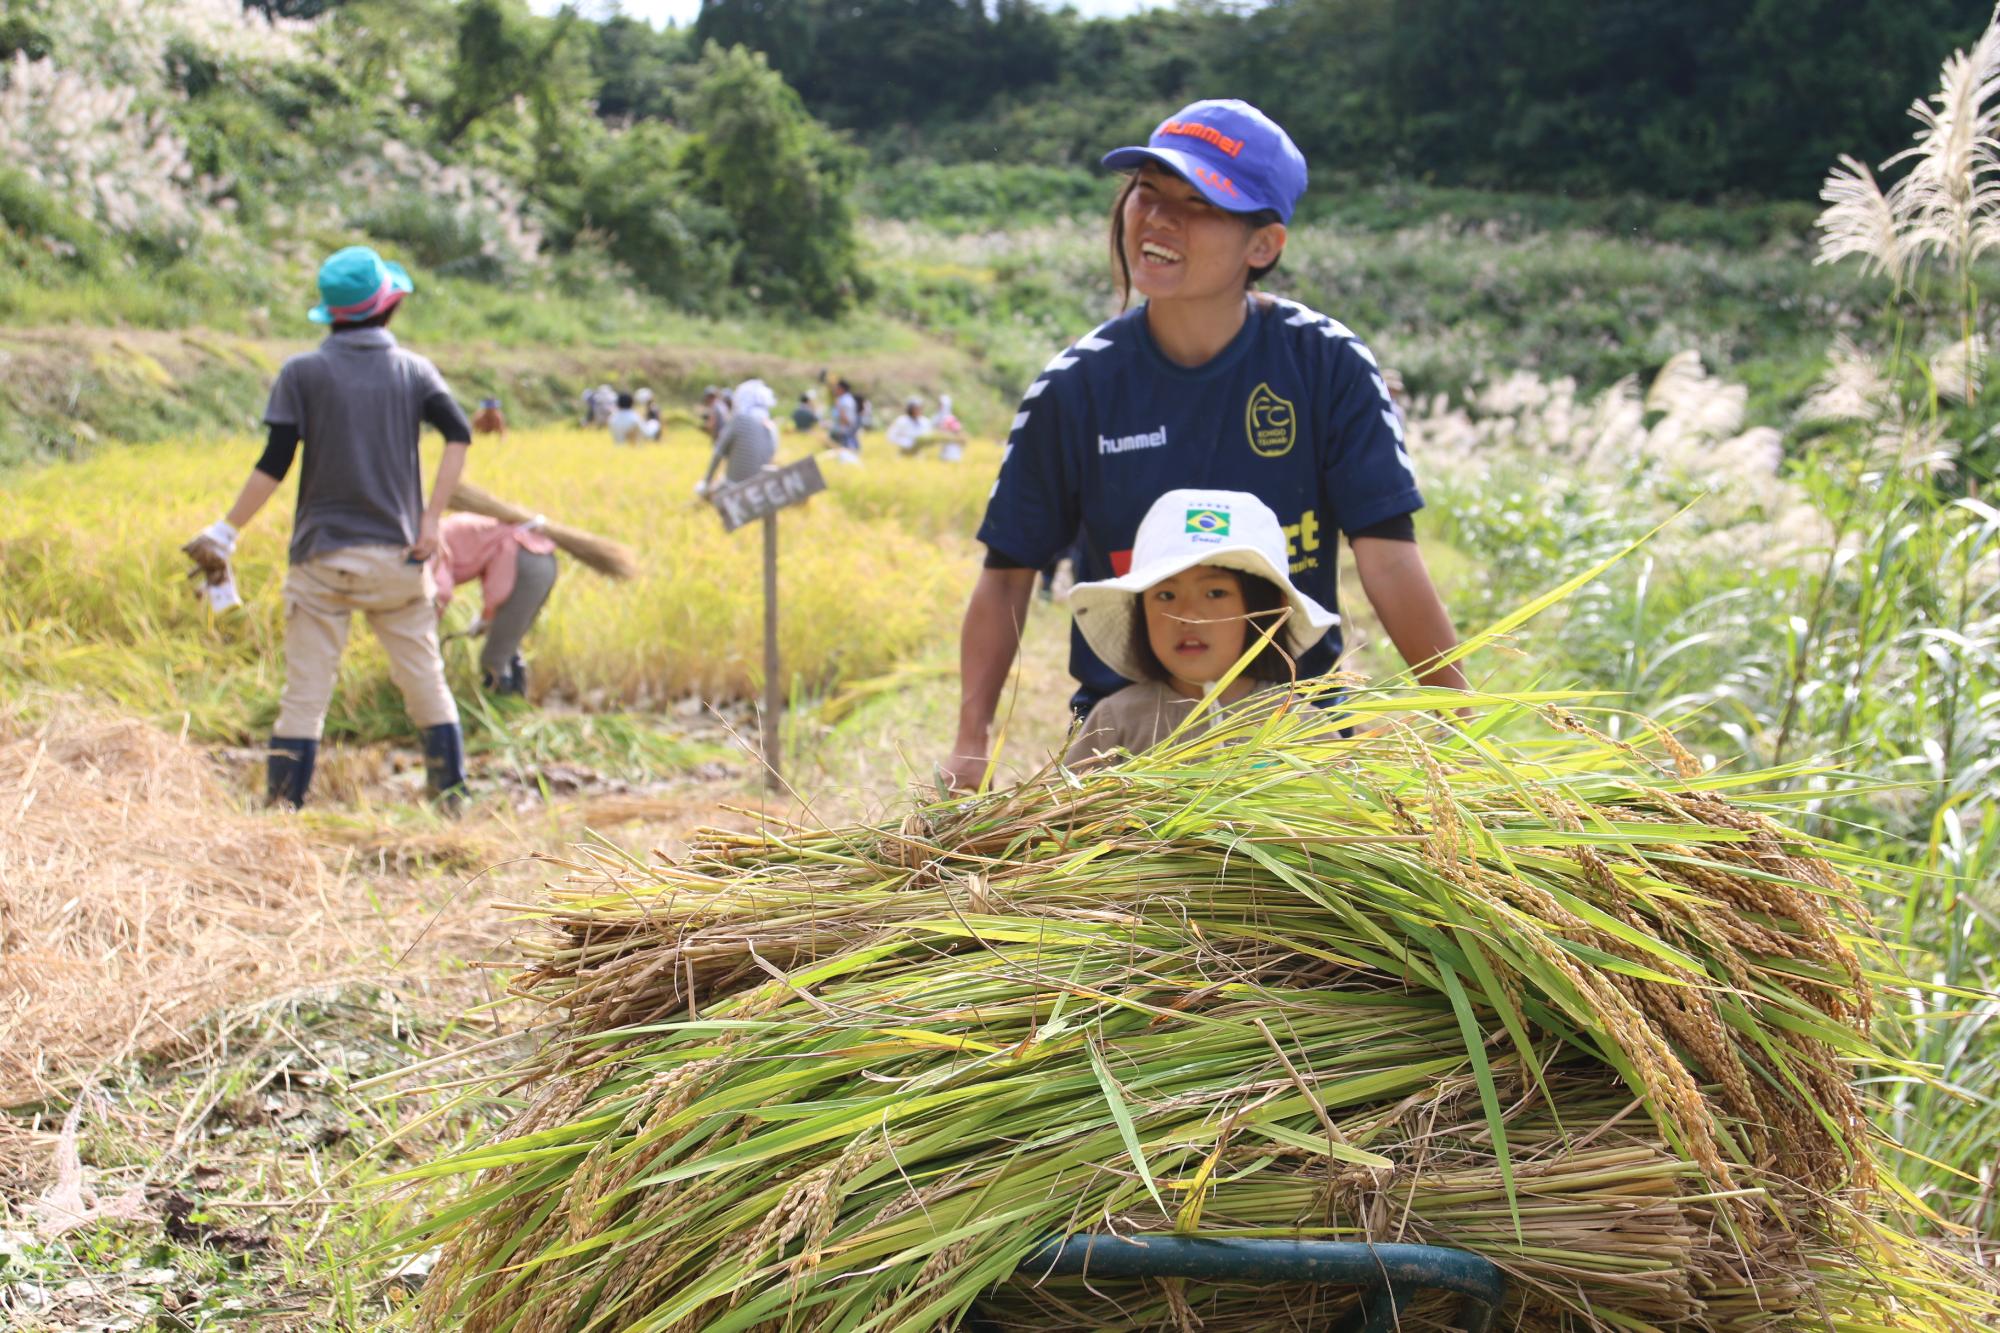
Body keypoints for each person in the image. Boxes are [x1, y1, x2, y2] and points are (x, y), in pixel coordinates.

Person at [942, 99, 1466, 789]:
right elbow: (1009, 572)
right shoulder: (1076, 387)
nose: (1159, 219)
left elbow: (1391, 562)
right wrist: (970, 741)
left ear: (1263, 245)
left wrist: (1460, 725)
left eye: (1199, 203)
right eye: (1148, 192)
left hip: (1290, 748)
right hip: (1127, 752)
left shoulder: (1325, 365)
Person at [185, 245, 471, 809]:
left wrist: (227, 529)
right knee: (426, 684)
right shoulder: (414, 371)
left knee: (306, 695)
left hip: (322, 561)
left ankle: (281, 816)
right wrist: (431, 519)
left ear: (331, 313)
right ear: (388, 307)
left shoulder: (302, 372)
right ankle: (452, 807)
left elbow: (275, 461)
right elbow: (458, 434)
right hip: (398, 561)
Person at [1064, 490, 1331, 765]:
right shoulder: (1116, 723)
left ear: (1270, 609)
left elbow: (1342, 805)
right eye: (1166, 595)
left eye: (1215, 593)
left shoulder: (1299, 725)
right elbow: (1068, 804)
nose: (1188, 615)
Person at [432, 513, 559, 696]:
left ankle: (504, 709)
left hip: (529, 566)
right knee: (506, 644)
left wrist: (487, 617)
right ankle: (517, 703)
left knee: (493, 659)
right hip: (542, 562)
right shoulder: (450, 529)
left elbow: (441, 591)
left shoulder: (430, 542)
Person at [698, 378, 779, 493]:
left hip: (733, 487)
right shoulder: (771, 427)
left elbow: (718, 453)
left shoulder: (739, 420)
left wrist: (706, 482)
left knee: (709, 488)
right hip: (758, 489)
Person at [828, 378, 861, 460]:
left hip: (845, 430)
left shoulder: (844, 401)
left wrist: (841, 429)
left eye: (836, 388)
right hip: (845, 429)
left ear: (841, 389)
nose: (834, 390)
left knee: (846, 452)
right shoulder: (845, 399)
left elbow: (845, 418)